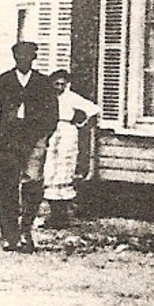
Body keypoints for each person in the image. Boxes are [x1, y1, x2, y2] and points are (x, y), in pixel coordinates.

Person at [0, 40, 61, 253]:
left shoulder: (42, 83)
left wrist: (45, 135)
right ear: (15, 58)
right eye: (20, 56)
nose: (24, 60)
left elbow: (52, 112)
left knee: (33, 183)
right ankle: (9, 234)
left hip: (34, 139)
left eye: (28, 56)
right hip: (9, 140)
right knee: (7, 185)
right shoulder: (3, 81)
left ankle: (25, 229)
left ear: (34, 58)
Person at [44, 70, 97, 227]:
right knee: (50, 167)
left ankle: (63, 216)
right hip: (51, 130)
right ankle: (52, 214)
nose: (60, 87)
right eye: (57, 84)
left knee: (64, 167)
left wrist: (80, 122)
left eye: (63, 84)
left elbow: (93, 109)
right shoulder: (47, 98)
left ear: (67, 84)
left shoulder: (72, 97)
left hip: (67, 130)